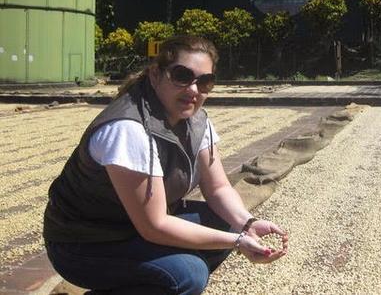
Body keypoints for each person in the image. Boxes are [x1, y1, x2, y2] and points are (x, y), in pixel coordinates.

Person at [43, 35, 288, 295]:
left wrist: (247, 224)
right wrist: (239, 242)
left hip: (132, 227)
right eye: (182, 76)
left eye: (204, 82)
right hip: (85, 242)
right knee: (188, 274)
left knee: (226, 222)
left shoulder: (197, 121)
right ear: (155, 74)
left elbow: (217, 188)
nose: (193, 90)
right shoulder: (128, 129)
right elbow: (155, 226)